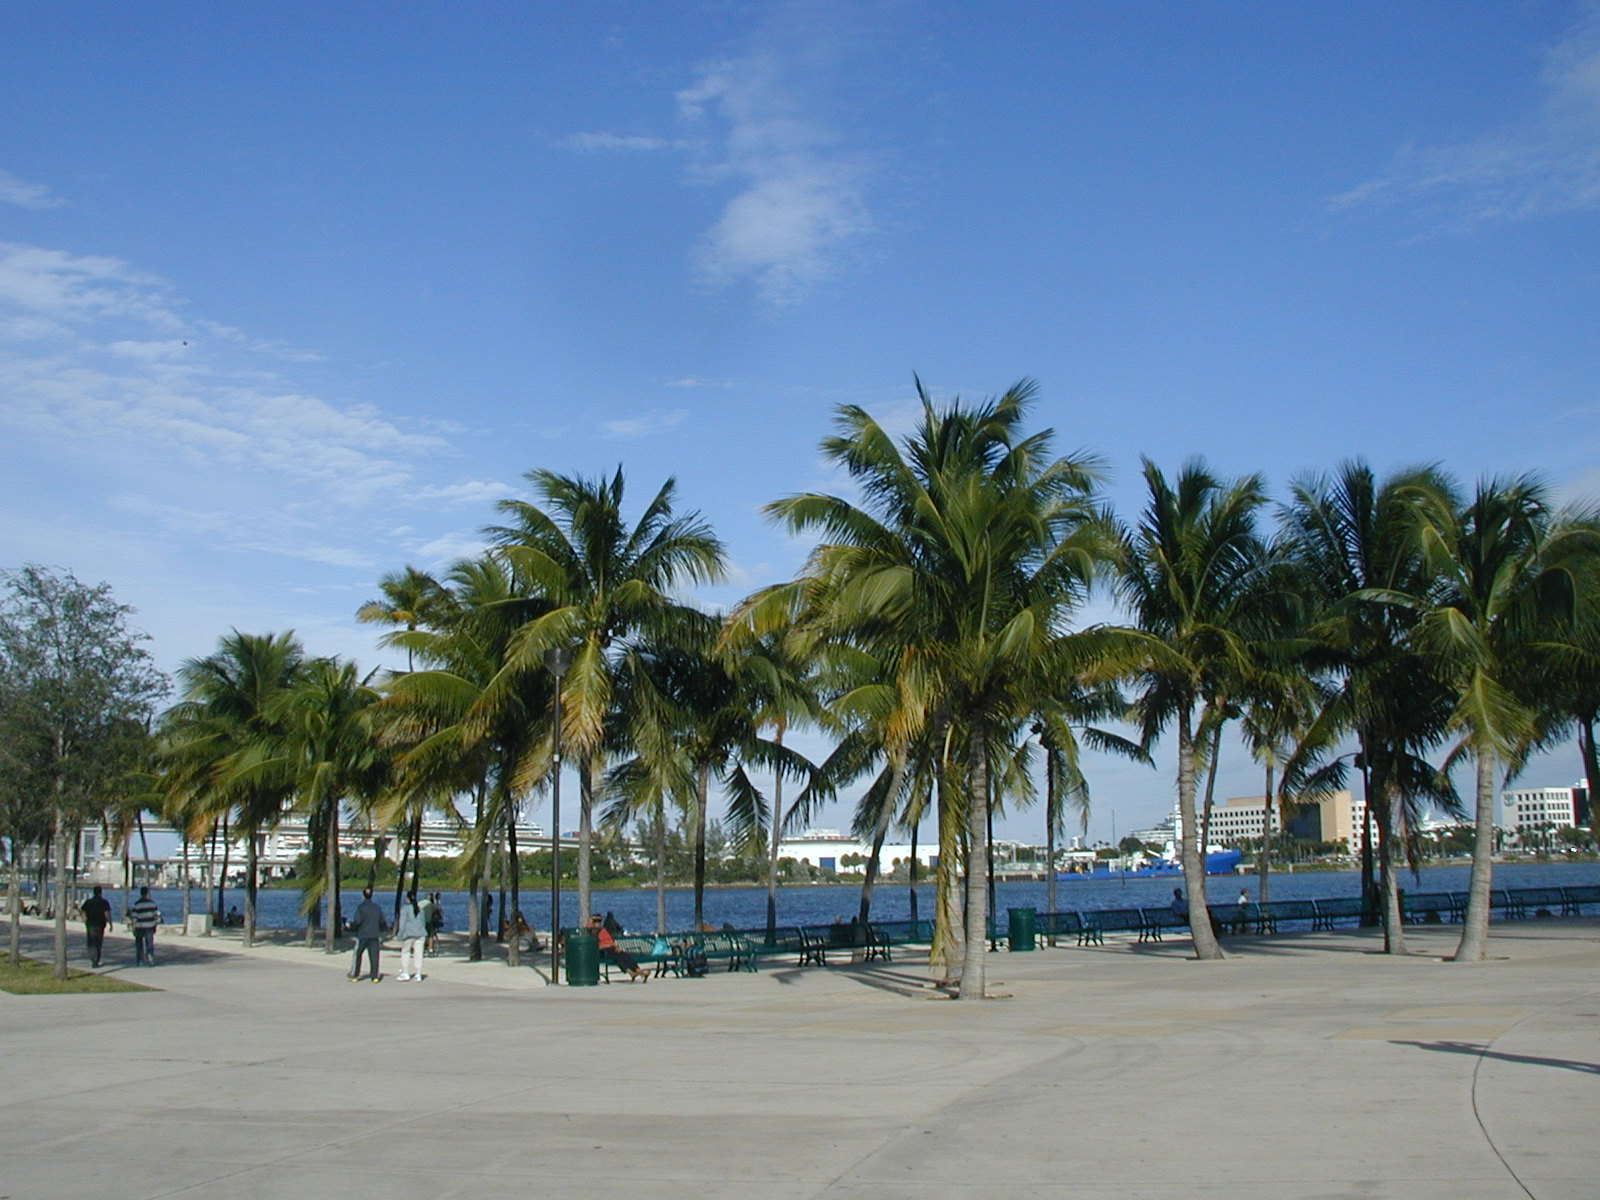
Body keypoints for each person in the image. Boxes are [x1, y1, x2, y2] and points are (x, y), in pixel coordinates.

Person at [589, 913, 648, 983]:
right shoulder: (592, 932)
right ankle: (630, 972)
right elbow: (595, 944)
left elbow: (610, 940)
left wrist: (616, 946)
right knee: (618, 957)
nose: (598, 923)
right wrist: (591, 921)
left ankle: (639, 971)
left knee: (626, 956)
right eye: (596, 921)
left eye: (599, 921)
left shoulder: (603, 930)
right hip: (604, 950)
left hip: (612, 947)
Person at [347, 886, 387, 982]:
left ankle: (355, 975)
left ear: (363, 896)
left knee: (357, 955)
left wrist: (351, 927)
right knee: (374, 957)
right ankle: (374, 976)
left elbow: (357, 921)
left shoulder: (361, 908)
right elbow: (382, 921)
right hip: (374, 935)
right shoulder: (377, 907)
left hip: (362, 935)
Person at [396, 890, 427, 981]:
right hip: (420, 933)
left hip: (409, 933)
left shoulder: (405, 908)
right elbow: (423, 921)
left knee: (405, 952)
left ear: (407, 899)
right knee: (419, 953)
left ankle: (405, 972)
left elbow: (402, 923)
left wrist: (400, 934)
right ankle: (418, 973)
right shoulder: (420, 908)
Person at [128, 886, 162, 966]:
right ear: (147, 893)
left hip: (139, 926)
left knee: (139, 944)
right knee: (149, 943)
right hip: (150, 926)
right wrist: (156, 924)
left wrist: (133, 927)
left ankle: (140, 959)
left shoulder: (137, 904)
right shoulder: (152, 904)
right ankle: (150, 957)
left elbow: (134, 917)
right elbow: (156, 915)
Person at [79, 886, 111, 968]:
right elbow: (107, 914)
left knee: (91, 942)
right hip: (100, 925)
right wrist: (110, 924)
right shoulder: (104, 902)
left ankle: (94, 959)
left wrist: (84, 919)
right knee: (98, 942)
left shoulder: (88, 902)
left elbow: (82, 910)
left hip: (90, 924)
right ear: (101, 892)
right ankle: (96, 959)